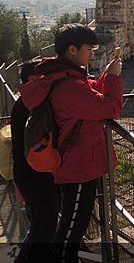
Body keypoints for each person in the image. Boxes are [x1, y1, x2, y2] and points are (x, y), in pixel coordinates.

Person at [20, 24, 123, 263]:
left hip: (79, 162)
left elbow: (91, 96)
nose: (92, 54)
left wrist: (108, 75)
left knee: (72, 222)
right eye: (89, 48)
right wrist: (115, 79)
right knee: (71, 228)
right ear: (73, 50)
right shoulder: (68, 86)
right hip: (79, 166)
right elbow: (109, 108)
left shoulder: (67, 78)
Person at [11, 59, 60, 263]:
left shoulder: (24, 105)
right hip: (35, 176)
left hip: (31, 175)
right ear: (29, 82)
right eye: (38, 79)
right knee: (44, 228)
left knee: (41, 226)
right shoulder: (29, 107)